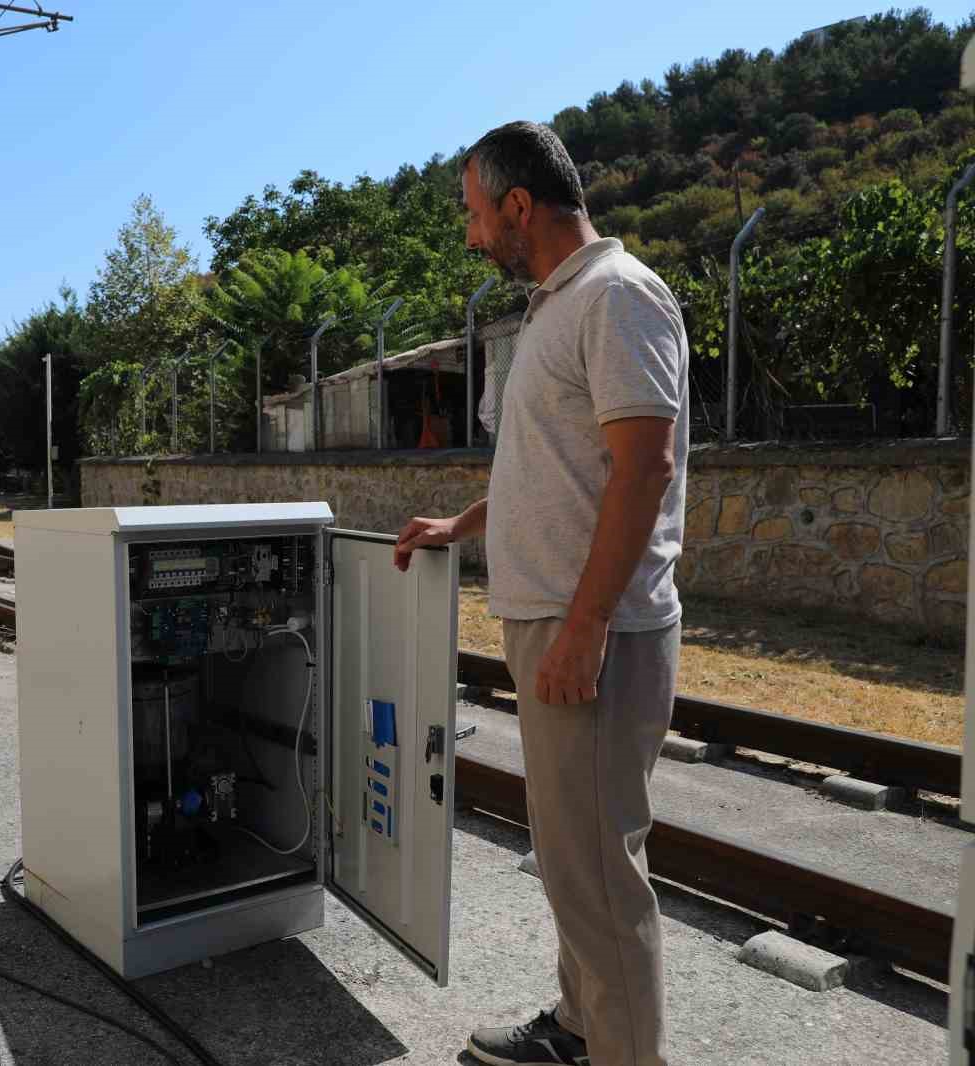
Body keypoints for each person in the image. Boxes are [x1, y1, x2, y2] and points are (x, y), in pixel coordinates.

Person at [394, 121, 687, 1066]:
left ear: (520, 206)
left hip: (589, 631)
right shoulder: (558, 307)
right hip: (559, 624)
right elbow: (549, 468)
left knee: (602, 882)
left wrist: (587, 627)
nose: (473, 237)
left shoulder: (617, 296)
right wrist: (461, 527)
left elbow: (644, 470)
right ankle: (577, 1030)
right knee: (575, 867)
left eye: (477, 216)